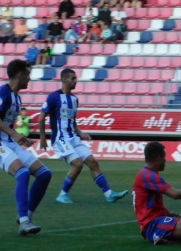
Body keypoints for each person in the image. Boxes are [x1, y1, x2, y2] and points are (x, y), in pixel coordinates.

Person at [39, 68, 128, 204]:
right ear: (64, 80)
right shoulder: (54, 97)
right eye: (73, 78)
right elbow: (41, 117)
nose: (76, 80)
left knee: (93, 162)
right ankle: (62, 194)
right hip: (60, 139)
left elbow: (72, 121)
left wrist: (81, 134)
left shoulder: (74, 99)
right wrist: (43, 138)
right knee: (78, 164)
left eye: (76, 78)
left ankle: (109, 194)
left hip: (73, 137)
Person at [0, 59, 53, 235]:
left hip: (8, 141)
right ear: (21, 75)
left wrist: (18, 137)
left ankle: (26, 216)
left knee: (45, 174)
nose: (29, 79)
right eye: (28, 75)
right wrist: (14, 134)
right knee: (22, 174)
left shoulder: (16, 97)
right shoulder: (3, 92)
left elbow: (6, 122)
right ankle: (24, 222)